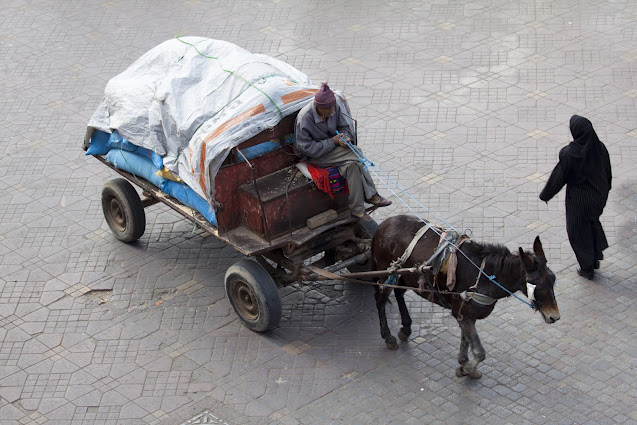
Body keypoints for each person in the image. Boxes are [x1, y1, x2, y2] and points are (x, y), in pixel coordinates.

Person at [294, 83, 391, 222]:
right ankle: (371, 195)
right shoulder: (305, 118)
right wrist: (332, 142)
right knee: (357, 153)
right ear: (318, 106)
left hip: (335, 149)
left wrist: (346, 137)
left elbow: (344, 126)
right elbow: (305, 148)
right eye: (328, 109)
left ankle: (357, 210)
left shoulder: (334, 108)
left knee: (353, 165)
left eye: (333, 107)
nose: (331, 111)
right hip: (315, 155)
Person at [539, 115, 612, 279]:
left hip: (579, 202)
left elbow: (558, 178)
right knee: (592, 223)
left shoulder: (570, 154)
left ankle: (587, 267)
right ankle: (595, 257)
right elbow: (608, 172)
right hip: (599, 197)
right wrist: (605, 190)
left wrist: (546, 195)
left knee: (577, 232)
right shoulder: (599, 147)